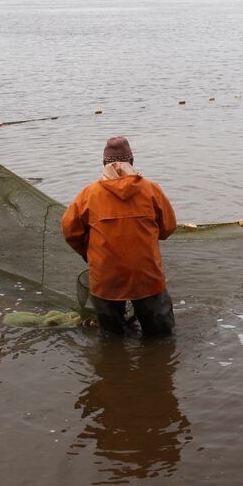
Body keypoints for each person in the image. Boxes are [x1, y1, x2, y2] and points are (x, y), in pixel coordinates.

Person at [61, 136, 177, 337]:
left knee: (111, 340)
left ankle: (115, 363)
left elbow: (70, 232)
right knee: (161, 338)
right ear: (131, 161)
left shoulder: (88, 194)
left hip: (106, 278)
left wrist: (88, 254)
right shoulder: (151, 190)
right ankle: (157, 364)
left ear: (104, 163)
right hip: (146, 275)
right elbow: (167, 228)